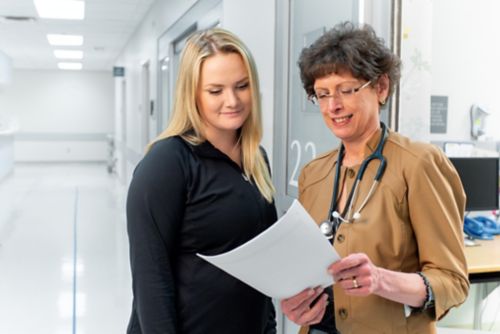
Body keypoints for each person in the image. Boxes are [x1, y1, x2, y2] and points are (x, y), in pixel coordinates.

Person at [280, 22, 469, 334]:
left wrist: (381, 280)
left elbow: (453, 282)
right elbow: (309, 272)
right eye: (322, 94)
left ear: (380, 87)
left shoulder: (418, 164)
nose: (333, 106)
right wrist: (298, 303)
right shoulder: (314, 174)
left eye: (346, 90)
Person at [126, 28, 277, 334]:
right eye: (215, 90)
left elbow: (260, 265)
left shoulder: (256, 159)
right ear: (192, 94)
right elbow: (150, 279)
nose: (232, 100)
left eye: (242, 86)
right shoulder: (167, 162)